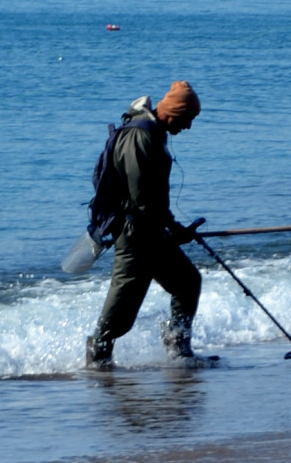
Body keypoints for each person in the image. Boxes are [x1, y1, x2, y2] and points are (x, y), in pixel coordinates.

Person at [86, 80, 204, 368]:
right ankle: (98, 359)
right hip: (134, 233)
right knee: (121, 306)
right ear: (173, 112)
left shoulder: (154, 132)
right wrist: (173, 228)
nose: (188, 127)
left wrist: (172, 229)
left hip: (150, 230)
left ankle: (178, 349)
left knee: (188, 282)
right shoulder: (141, 136)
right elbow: (143, 199)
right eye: (187, 119)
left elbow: (151, 202)